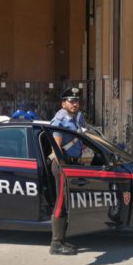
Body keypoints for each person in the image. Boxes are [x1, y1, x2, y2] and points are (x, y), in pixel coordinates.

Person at [48, 87, 86, 255]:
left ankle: (64, 239)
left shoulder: (78, 117)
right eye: (71, 101)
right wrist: (63, 167)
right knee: (61, 203)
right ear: (63, 103)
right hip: (63, 165)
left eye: (76, 101)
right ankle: (56, 244)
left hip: (74, 164)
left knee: (68, 203)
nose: (75, 104)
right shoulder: (60, 120)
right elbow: (56, 148)